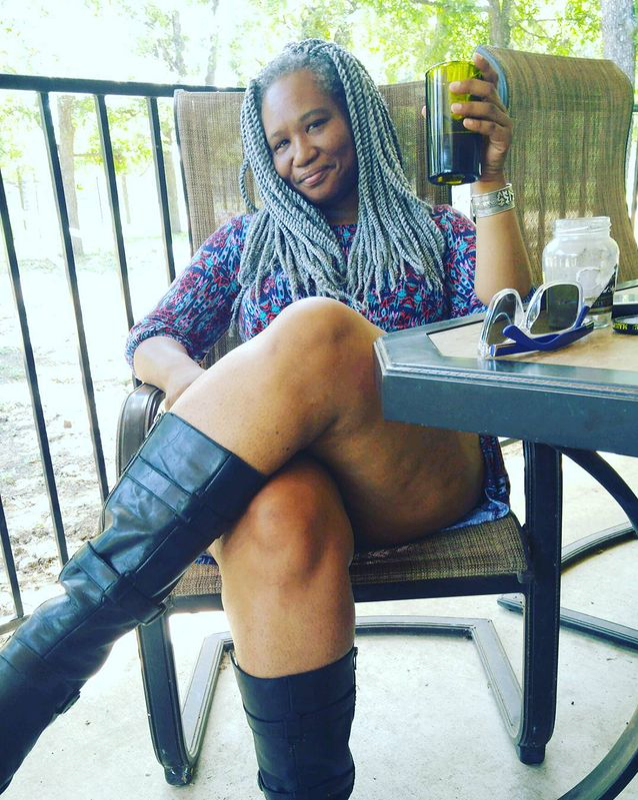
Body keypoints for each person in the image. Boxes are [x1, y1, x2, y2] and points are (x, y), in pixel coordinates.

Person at [0, 39, 531, 799]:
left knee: (321, 329)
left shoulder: (437, 231)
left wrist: (491, 180)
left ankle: (48, 652)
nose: (300, 154)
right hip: (290, 491)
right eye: (280, 142)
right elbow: (153, 337)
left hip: (416, 475)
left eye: (316, 124)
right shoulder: (245, 243)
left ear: (358, 119)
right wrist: (201, 388)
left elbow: (505, 330)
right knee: (280, 510)